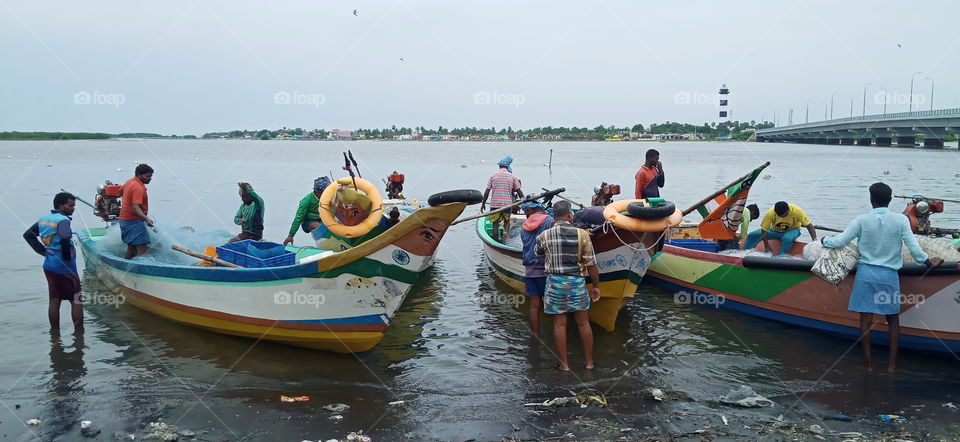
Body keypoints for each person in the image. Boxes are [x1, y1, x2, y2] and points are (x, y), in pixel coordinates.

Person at [822, 183, 942, 372]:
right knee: (893, 319)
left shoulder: (861, 220)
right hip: (888, 275)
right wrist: (928, 262)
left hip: (866, 274)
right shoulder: (901, 220)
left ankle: (869, 365)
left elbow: (840, 241)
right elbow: (913, 247)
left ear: (871, 199)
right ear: (891, 199)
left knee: (865, 319)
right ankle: (892, 366)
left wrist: (824, 241)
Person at [535, 201, 602, 371]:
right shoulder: (582, 235)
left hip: (555, 283)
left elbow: (538, 253)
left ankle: (564, 365)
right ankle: (589, 363)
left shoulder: (544, 235)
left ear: (553, 217)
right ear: (570, 215)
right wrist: (596, 286)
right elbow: (591, 263)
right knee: (583, 323)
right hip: (576, 282)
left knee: (559, 324)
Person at [23, 192, 83, 332]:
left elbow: (28, 235)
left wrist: (43, 251)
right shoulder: (63, 220)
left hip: (49, 265)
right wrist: (67, 258)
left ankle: (54, 333)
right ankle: (79, 334)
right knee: (76, 299)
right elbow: (64, 238)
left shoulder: (44, 219)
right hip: (65, 267)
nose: (73, 208)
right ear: (61, 205)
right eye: (71, 205)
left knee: (54, 300)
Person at [519, 199, 553, 336]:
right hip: (546, 270)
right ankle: (555, 333)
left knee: (534, 305)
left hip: (530, 271)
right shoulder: (549, 220)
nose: (525, 214)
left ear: (529, 210)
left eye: (525, 211)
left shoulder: (524, 226)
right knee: (551, 304)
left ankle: (535, 335)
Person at [743, 201, 817, 256]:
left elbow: (809, 226)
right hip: (774, 231)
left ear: (788, 211)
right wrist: (767, 246)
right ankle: (745, 253)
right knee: (752, 235)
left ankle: (782, 256)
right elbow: (764, 230)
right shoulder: (770, 213)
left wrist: (814, 241)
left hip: (792, 230)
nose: (781, 217)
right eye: (779, 215)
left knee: (787, 238)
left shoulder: (797, 211)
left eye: (783, 215)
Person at [480, 156, 523, 243]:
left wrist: (483, 203)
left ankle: (495, 240)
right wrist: (524, 200)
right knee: (507, 221)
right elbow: (519, 191)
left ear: (499, 166)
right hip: (507, 204)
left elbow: (487, 192)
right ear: (508, 167)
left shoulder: (492, 176)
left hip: (495, 204)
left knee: (495, 223)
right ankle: (505, 232)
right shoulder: (512, 177)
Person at [120, 164, 154, 259]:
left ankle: (124, 267)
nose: (150, 179)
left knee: (131, 248)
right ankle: (143, 270)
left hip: (124, 220)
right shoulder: (138, 187)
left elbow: (119, 192)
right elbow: (135, 207)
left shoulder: (129, 182)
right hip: (134, 221)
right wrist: (146, 218)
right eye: (147, 176)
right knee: (142, 251)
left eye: (151, 176)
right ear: (139, 175)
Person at [284, 177, 331, 246]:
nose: (328, 194)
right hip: (309, 222)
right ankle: (329, 239)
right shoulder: (306, 201)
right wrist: (291, 235)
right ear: (318, 191)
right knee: (319, 226)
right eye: (325, 192)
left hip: (324, 219)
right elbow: (298, 218)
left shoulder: (329, 197)